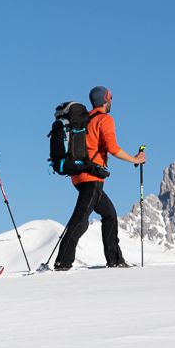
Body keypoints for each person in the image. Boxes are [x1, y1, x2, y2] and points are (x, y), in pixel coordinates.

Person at [52, 86, 145, 271]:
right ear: (105, 99)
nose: (111, 101)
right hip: (91, 177)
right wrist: (135, 159)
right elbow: (113, 148)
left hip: (79, 176)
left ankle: (115, 260)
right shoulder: (104, 119)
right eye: (110, 98)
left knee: (109, 214)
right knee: (80, 219)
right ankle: (62, 262)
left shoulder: (85, 119)